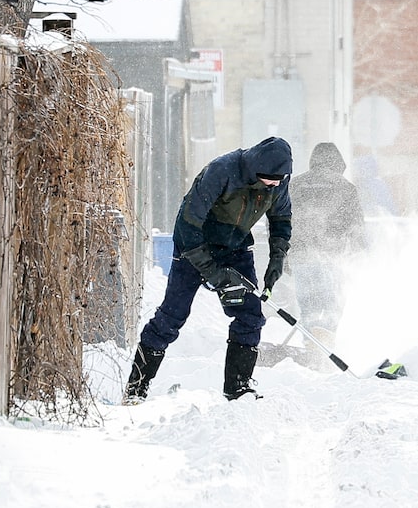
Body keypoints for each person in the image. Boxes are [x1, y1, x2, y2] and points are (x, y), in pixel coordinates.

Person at [124, 136, 292, 402]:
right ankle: (136, 388)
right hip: (194, 246)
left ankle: (238, 389)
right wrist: (215, 274)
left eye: (279, 180)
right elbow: (187, 225)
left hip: (236, 248)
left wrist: (277, 259)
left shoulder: (279, 181)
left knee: (250, 317)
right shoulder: (222, 171)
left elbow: (281, 219)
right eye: (268, 179)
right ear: (255, 170)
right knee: (172, 316)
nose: (273, 184)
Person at [287, 142, 367, 352]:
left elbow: (278, 221)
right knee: (332, 304)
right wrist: (360, 255)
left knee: (308, 305)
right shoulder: (345, 187)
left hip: (301, 257)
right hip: (333, 258)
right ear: (338, 162)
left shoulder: (295, 185)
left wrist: (282, 255)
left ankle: (310, 346)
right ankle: (325, 347)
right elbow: (356, 226)